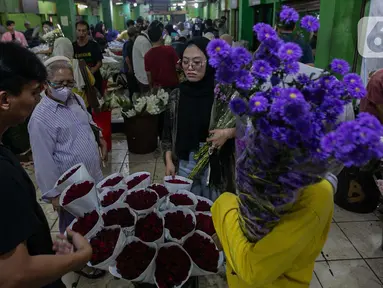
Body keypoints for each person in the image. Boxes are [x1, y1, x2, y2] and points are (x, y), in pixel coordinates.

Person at [0, 42, 92, 288]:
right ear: (5, 99)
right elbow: (14, 274)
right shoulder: (3, 174)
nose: (36, 99)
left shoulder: (76, 102)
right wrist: (78, 259)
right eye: (33, 93)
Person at [162, 37, 235, 200]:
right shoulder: (177, 95)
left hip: (215, 165)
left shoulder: (222, 95)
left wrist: (227, 133)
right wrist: (168, 160)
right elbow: (167, 132)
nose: (189, 67)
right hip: (185, 162)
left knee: (213, 209)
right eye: (185, 62)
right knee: (187, 206)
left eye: (196, 62)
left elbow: (247, 126)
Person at [52, 37, 99, 113]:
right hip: (83, 104)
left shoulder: (53, 68)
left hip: (63, 107)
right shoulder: (79, 64)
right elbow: (92, 81)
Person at [145, 20, 179, 90]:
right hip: (172, 86)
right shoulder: (169, 49)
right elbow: (178, 66)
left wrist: (151, 88)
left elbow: (149, 75)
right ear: (161, 37)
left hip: (158, 88)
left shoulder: (147, 55)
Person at [73, 20, 104, 96]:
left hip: (95, 80)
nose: (81, 33)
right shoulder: (73, 46)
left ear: (87, 31)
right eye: (79, 30)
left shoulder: (94, 45)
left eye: (84, 31)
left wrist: (92, 70)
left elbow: (99, 62)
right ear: (76, 31)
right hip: (80, 82)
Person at [132, 22, 152, 92]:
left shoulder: (141, 38)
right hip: (144, 77)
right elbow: (149, 62)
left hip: (141, 75)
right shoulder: (144, 42)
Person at [123, 26, 139, 97]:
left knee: (131, 86)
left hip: (129, 67)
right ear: (135, 34)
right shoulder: (129, 44)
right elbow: (127, 57)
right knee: (132, 86)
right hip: (129, 68)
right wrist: (130, 68)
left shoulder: (128, 43)